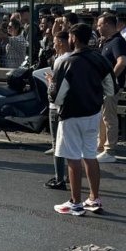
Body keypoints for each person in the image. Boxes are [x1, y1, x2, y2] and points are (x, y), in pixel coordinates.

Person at [49, 22, 115, 216]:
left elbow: (56, 96)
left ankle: (75, 202)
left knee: (73, 158)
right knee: (90, 155)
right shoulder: (100, 59)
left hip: (71, 115)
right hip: (93, 113)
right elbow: (111, 88)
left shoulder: (66, 62)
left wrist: (51, 83)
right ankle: (94, 198)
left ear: (74, 38)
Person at [95, 13, 126, 164]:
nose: (98, 27)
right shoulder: (108, 42)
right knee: (102, 116)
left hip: (110, 87)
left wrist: (109, 80)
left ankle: (109, 150)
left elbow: (121, 62)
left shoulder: (117, 42)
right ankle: (101, 146)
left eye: (100, 24)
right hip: (105, 86)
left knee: (109, 117)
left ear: (107, 24)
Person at [43, 30, 72, 189]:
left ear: (60, 42)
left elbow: (54, 88)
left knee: (57, 143)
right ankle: (70, 175)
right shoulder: (75, 57)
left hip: (56, 106)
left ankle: (59, 177)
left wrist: (49, 80)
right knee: (70, 143)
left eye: (55, 42)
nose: (53, 45)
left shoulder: (60, 60)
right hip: (70, 106)